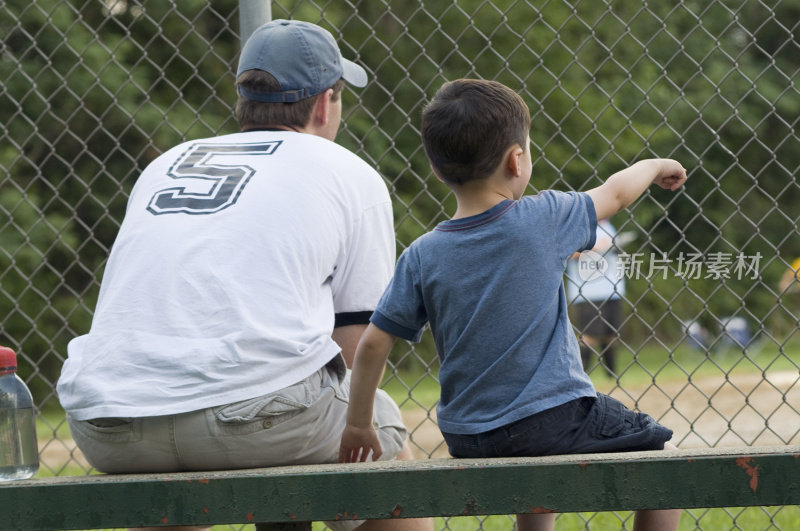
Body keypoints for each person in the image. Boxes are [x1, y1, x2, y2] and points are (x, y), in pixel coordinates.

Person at [57, 19, 430, 531]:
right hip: (251, 423)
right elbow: (355, 345)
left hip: (109, 424)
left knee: (170, 480)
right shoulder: (347, 171)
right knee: (379, 420)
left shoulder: (169, 161)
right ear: (324, 104)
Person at [340, 78, 688, 531]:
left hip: (468, 435)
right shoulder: (545, 218)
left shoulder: (423, 254)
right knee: (667, 459)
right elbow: (617, 192)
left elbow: (371, 346)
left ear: (436, 169)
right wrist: (657, 162)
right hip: (553, 420)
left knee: (532, 460)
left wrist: (359, 425)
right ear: (516, 159)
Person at [565, 218, 625, 377]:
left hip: (611, 288)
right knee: (589, 335)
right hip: (588, 291)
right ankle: (579, 375)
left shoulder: (607, 225)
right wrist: (591, 249)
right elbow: (567, 253)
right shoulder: (576, 225)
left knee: (611, 334)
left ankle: (612, 375)